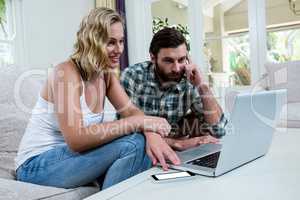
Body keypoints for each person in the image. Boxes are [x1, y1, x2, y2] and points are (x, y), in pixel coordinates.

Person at [15, 8, 180, 190]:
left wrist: (150, 132)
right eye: (111, 43)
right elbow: (76, 139)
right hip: (35, 167)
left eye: (121, 41)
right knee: (134, 143)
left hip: (70, 161)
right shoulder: (66, 72)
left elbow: (130, 110)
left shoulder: (105, 76)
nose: (119, 50)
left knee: (145, 146)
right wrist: (139, 122)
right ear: (91, 41)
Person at [121, 27, 228, 168]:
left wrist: (202, 86)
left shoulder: (189, 80)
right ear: (153, 58)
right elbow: (126, 132)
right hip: (140, 150)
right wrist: (178, 143)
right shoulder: (133, 76)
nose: (177, 68)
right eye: (168, 61)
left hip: (171, 152)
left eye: (181, 59)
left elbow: (218, 130)